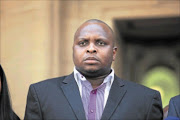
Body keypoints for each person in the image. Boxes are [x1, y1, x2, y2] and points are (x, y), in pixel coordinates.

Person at [24, 19, 163, 120]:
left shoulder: (146, 99)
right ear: (73, 50)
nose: (91, 48)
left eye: (100, 43)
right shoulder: (41, 95)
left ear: (114, 53)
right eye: (83, 43)